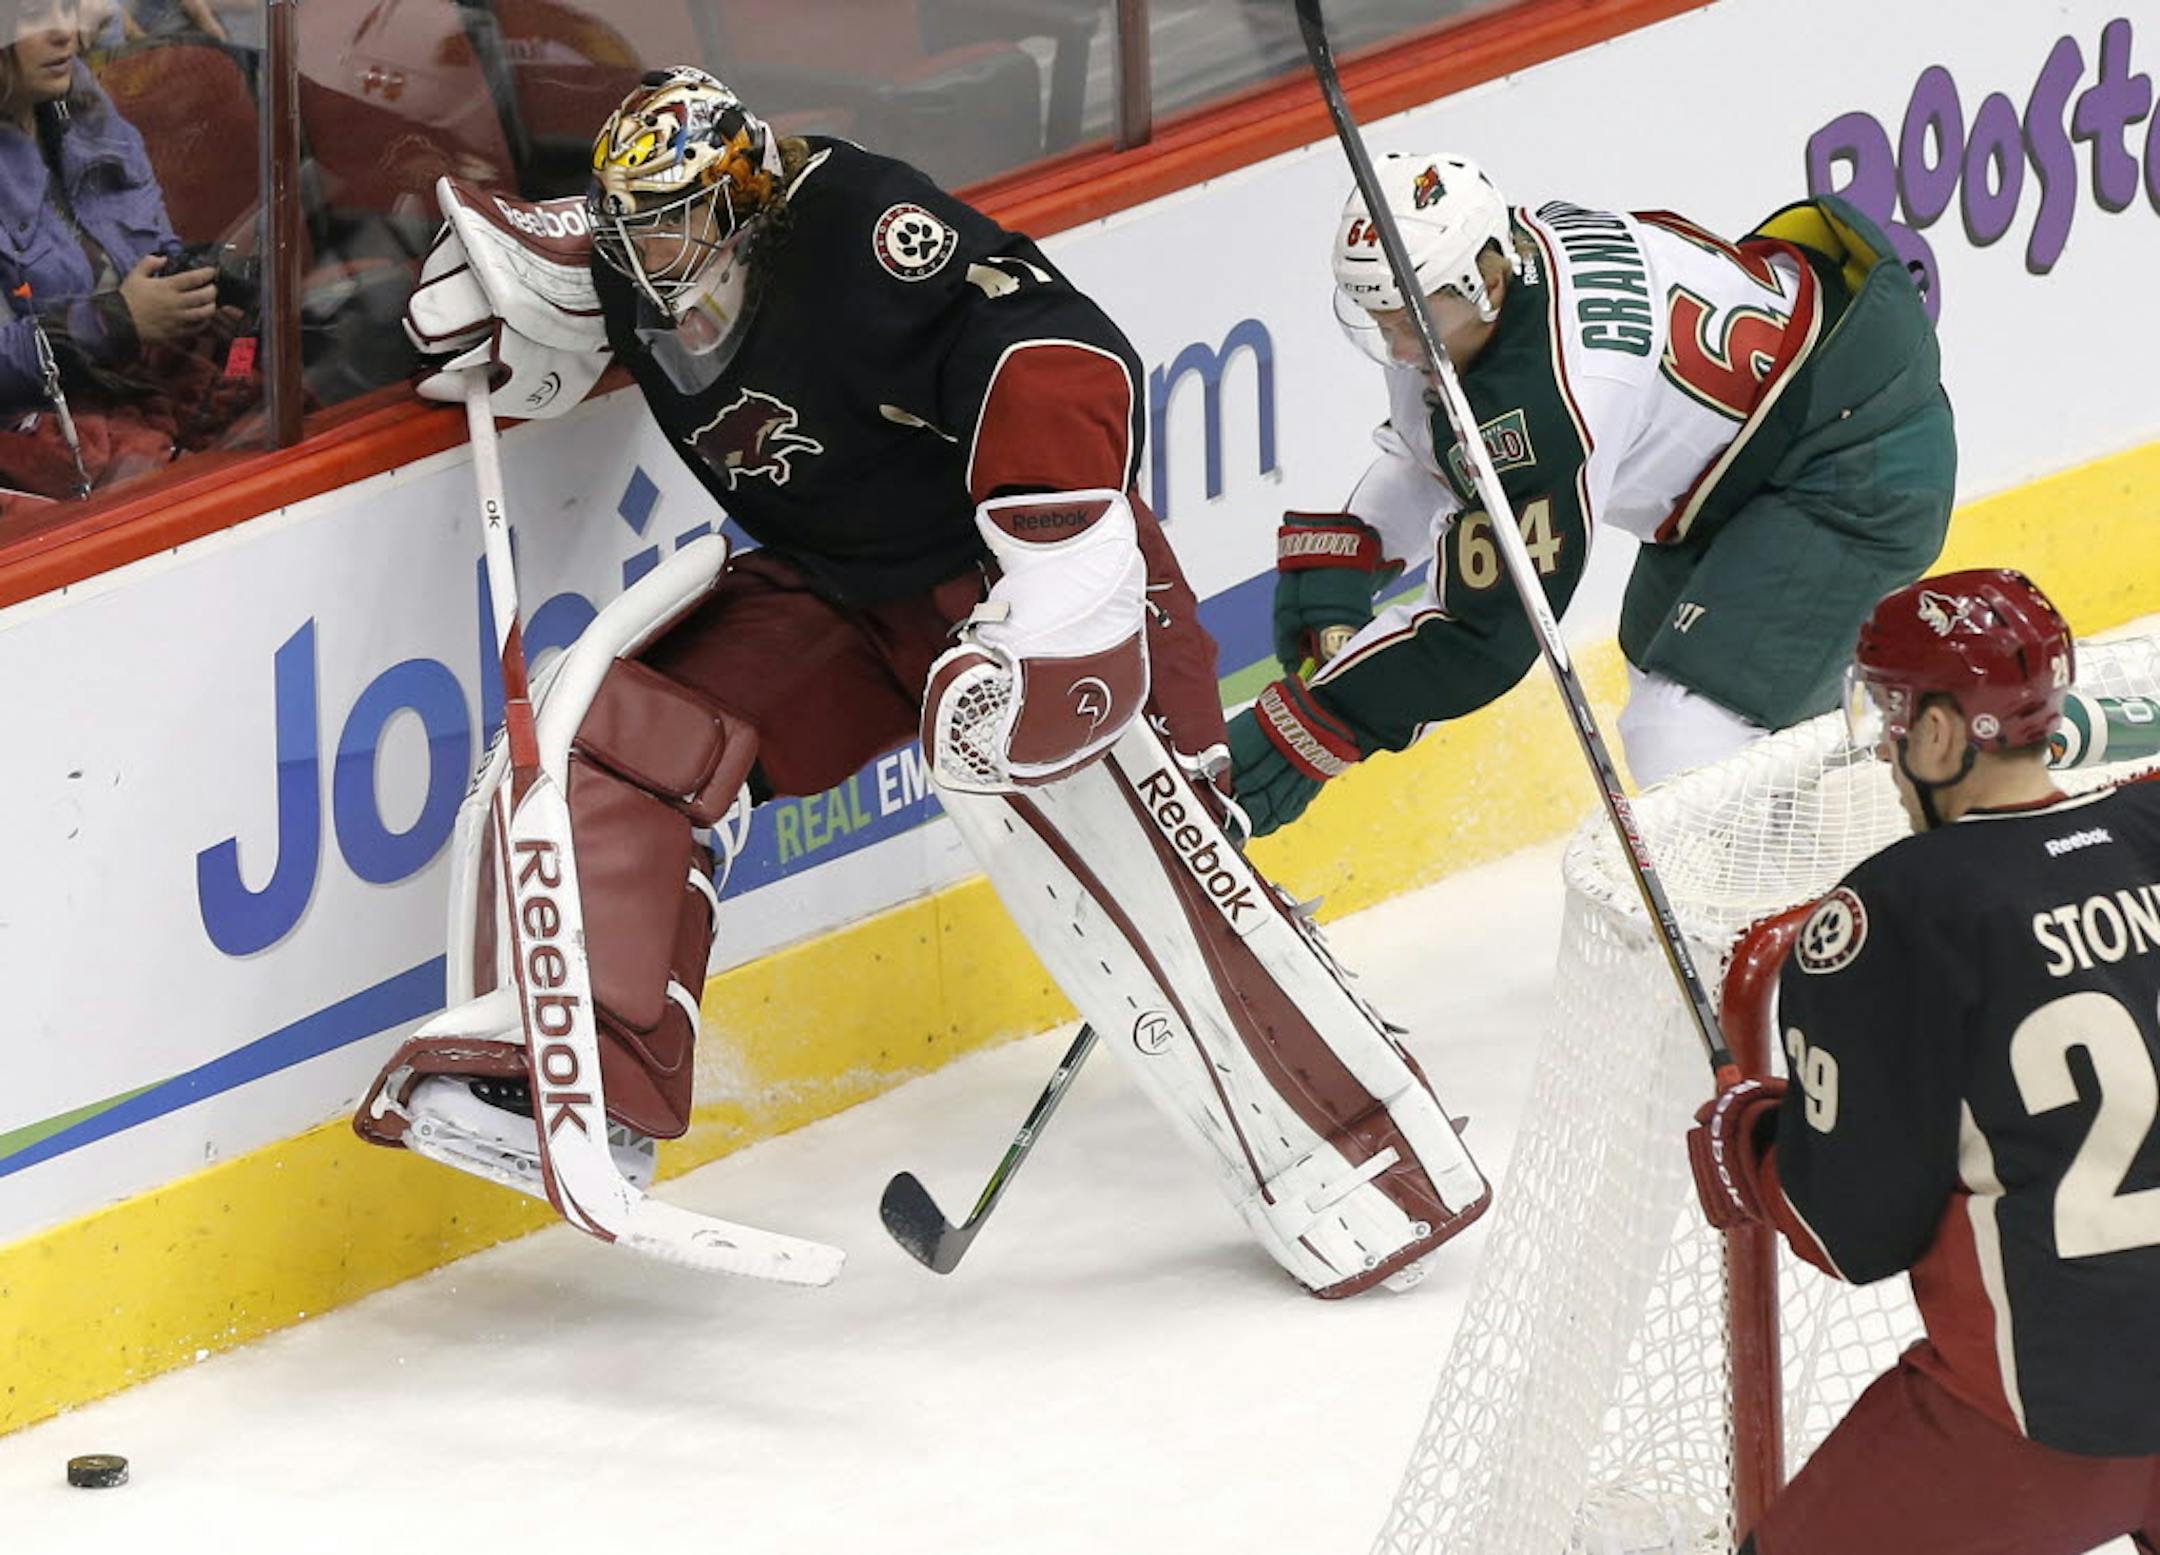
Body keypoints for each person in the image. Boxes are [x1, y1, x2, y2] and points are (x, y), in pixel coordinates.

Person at [355, 68, 1491, 1295]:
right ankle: (577, 1083)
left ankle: (1373, 1169)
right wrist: (509, 316)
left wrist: (1059, 589)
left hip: (1031, 578)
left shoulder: (863, 230)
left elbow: (1058, 350)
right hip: (842, 598)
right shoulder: (637, 262)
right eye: (630, 227)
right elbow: (561, 260)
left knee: (1171, 874)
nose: (645, 254)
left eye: (672, 224)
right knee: (619, 737)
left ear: (744, 203)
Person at [1228, 153, 1957, 834]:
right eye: (1379, 320)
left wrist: (1319, 724)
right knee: (1676, 682)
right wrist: (1353, 551)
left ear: (1485, 283)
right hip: (1752, 453)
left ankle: (1777, 916)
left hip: (1853, 463)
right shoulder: (1488, 273)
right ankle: (1823, 827)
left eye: (1410, 321)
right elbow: (1436, 456)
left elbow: (1483, 633)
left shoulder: (1552, 400)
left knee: (1683, 730)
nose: (1397, 348)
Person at [1688, 568, 2160, 1554]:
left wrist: (1754, 1141)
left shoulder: (1889, 913)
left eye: (1895, 717)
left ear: (1941, 734)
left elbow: (1852, 1230)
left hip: (2043, 1424)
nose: (1887, 748)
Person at [0, 0, 250, 501]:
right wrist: (112, 321)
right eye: (31, 16)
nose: (65, 32)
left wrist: (202, 284)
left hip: (146, 382)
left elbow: (154, 244)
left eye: (66, 7)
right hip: (53, 436)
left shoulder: (88, 116)